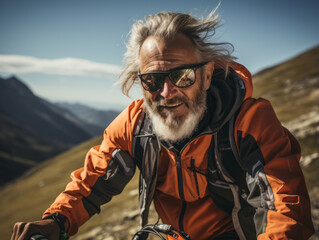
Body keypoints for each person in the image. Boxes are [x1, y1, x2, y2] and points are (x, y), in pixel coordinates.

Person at [11, 8, 315, 240]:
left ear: (207, 75)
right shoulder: (134, 124)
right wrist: (57, 222)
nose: (167, 93)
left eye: (183, 76)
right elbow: (92, 180)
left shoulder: (249, 123)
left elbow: (283, 205)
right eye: (153, 80)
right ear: (141, 83)